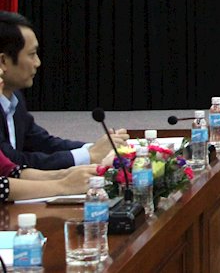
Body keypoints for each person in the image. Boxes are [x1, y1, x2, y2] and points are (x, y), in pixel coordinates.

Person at [0, 11, 128, 170]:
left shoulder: (14, 98)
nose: (37, 63)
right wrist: (89, 155)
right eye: (31, 55)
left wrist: (95, 148)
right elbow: (11, 162)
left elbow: (42, 143)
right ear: (3, 61)